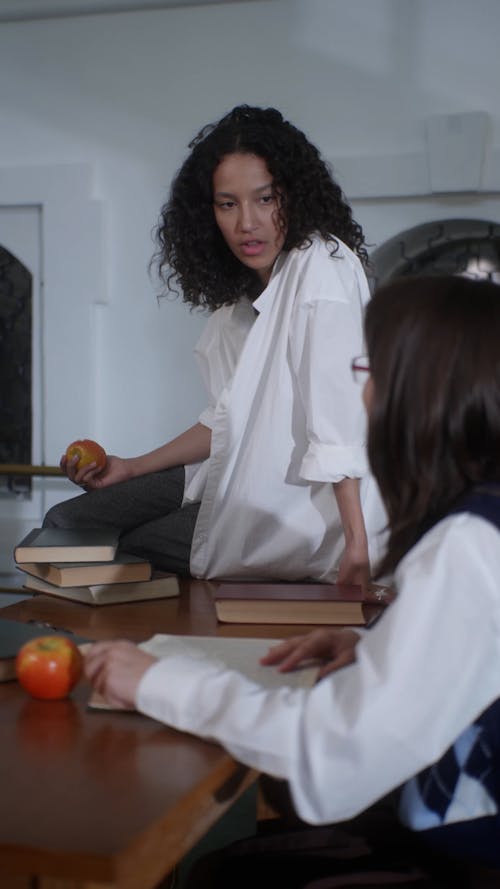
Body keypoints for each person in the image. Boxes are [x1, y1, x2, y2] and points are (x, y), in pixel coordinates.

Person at [85, 275, 500, 887]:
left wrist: (159, 681)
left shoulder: (466, 545)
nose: (360, 395)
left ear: (422, 390)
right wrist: (379, 650)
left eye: (368, 370)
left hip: (466, 854)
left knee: (222, 876)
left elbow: (331, 757)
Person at [43, 104, 385, 586]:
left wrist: (358, 545)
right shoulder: (241, 301)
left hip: (298, 505)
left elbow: (339, 415)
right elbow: (225, 420)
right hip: (227, 473)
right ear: (209, 214)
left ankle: (123, 652)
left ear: (293, 194)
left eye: (265, 199)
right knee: (68, 524)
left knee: (132, 544)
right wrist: (130, 468)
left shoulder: (320, 268)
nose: (248, 222)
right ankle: (69, 653)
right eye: (228, 204)